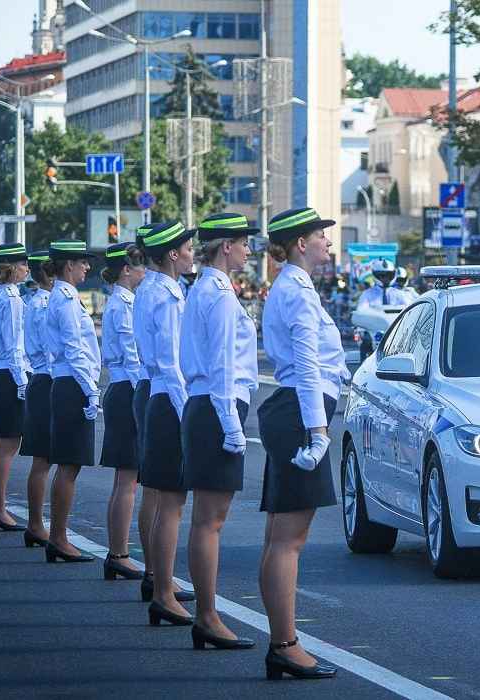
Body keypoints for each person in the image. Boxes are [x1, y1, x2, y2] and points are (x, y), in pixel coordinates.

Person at [257, 207, 348, 680]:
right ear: (299, 245)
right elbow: (308, 367)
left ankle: (282, 642)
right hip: (299, 415)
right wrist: (318, 432)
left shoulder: (295, 287)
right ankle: (285, 644)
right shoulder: (294, 290)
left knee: (282, 537)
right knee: (288, 540)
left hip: (295, 411)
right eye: (320, 236)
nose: (327, 243)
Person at [180, 213, 260, 650]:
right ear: (225, 246)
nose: (248, 250)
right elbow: (223, 367)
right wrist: (232, 426)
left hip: (205, 405)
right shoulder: (222, 295)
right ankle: (208, 616)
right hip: (216, 407)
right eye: (244, 242)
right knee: (210, 522)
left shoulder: (203, 289)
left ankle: (206, 614)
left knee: (205, 521)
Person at [135, 220, 197, 625]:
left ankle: (160, 581)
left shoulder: (148, 287)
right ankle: (162, 590)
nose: (193, 252)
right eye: (188, 247)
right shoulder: (168, 295)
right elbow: (173, 362)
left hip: (154, 394)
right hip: (169, 398)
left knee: (161, 499)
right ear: (172, 254)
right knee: (171, 503)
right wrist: (185, 412)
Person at [44, 239, 101, 563]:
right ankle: (59, 537)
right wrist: (89, 388)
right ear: (68, 265)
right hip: (71, 383)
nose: (87, 267)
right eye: (82, 262)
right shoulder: (64, 300)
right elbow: (74, 348)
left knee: (71, 465)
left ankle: (58, 535)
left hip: (71, 381)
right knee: (68, 464)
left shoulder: (66, 297)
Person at [99, 242, 146, 581]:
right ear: (126, 270)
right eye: (140, 266)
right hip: (127, 388)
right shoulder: (123, 304)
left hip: (122, 388)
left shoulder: (121, 301)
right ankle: (119, 552)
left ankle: (118, 551)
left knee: (126, 479)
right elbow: (133, 357)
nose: (145, 271)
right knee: (127, 479)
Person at [0, 243, 31, 532]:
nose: (28, 268)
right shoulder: (12, 298)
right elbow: (14, 345)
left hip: (2, 371)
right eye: (23, 263)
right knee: (8, 444)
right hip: (10, 373)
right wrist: (23, 382)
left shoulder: (2, 294)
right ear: (12, 267)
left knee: (7, 444)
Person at [20, 250, 55, 548]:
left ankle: (37, 523)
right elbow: (51, 348)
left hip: (42, 378)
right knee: (43, 459)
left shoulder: (38, 301)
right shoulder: (43, 304)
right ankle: (35, 523)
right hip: (46, 379)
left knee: (44, 459)